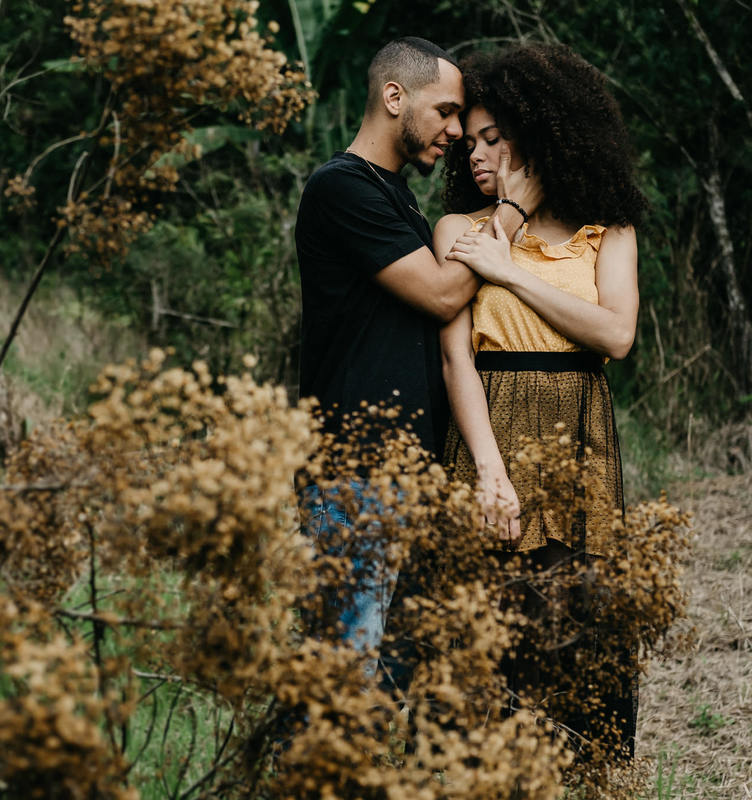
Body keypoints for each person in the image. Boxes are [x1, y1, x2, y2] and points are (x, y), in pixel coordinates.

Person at [293, 36, 539, 676]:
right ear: (394, 96)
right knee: (344, 676)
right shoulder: (340, 188)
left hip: (402, 471)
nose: (456, 132)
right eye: (447, 112)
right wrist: (513, 211)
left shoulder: (394, 193)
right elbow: (440, 293)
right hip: (354, 472)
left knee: (393, 674)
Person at [435, 43, 646, 759]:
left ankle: (586, 766)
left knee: (578, 610)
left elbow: (616, 334)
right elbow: (455, 355)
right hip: (489, 424)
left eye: (495, 139)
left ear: (543, 132)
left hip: (577, 423)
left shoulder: (607, 230)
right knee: (490, 618)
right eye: (470, 143)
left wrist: (512, 272)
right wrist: (489, 470)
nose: (476, 156)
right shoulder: (457, 231)